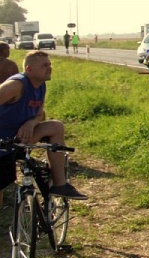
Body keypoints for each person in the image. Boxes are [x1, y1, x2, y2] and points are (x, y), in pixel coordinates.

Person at [0, 51, 87, 199]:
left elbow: (39, 113)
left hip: (19, 140)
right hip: (3, 143)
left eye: (50, 64)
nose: (49, 68)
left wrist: (31, 122)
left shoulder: (40, 86)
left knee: (56, 126)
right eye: (44, 65)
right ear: (29, 70)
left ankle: (60, 185)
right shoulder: (16, 85)